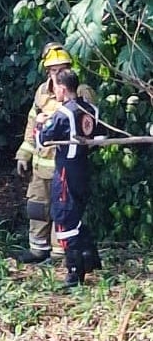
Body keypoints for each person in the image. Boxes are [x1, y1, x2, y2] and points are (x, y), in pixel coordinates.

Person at [13, 43, 94, 263]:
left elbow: (88, 126)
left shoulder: (81, 92)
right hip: (41, 165)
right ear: (47, 71)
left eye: (62, 68)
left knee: (63, 211)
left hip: (65, 166)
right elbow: (32, 122)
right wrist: (24, 154)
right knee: (37, 207)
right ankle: (38, 249)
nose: (57, 73)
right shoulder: (41, 92)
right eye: (53, 69)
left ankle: (60, 254)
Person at [36, 69, 102, 286]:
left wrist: (40, 123)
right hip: (85, 169)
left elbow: (44, 140)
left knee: (63, 218)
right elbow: (101, 135)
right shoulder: (91, 109)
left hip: (67, 171)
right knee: (77, 215)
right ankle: (89, 259)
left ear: (62, 88)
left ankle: (75, 273)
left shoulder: (63, 114)